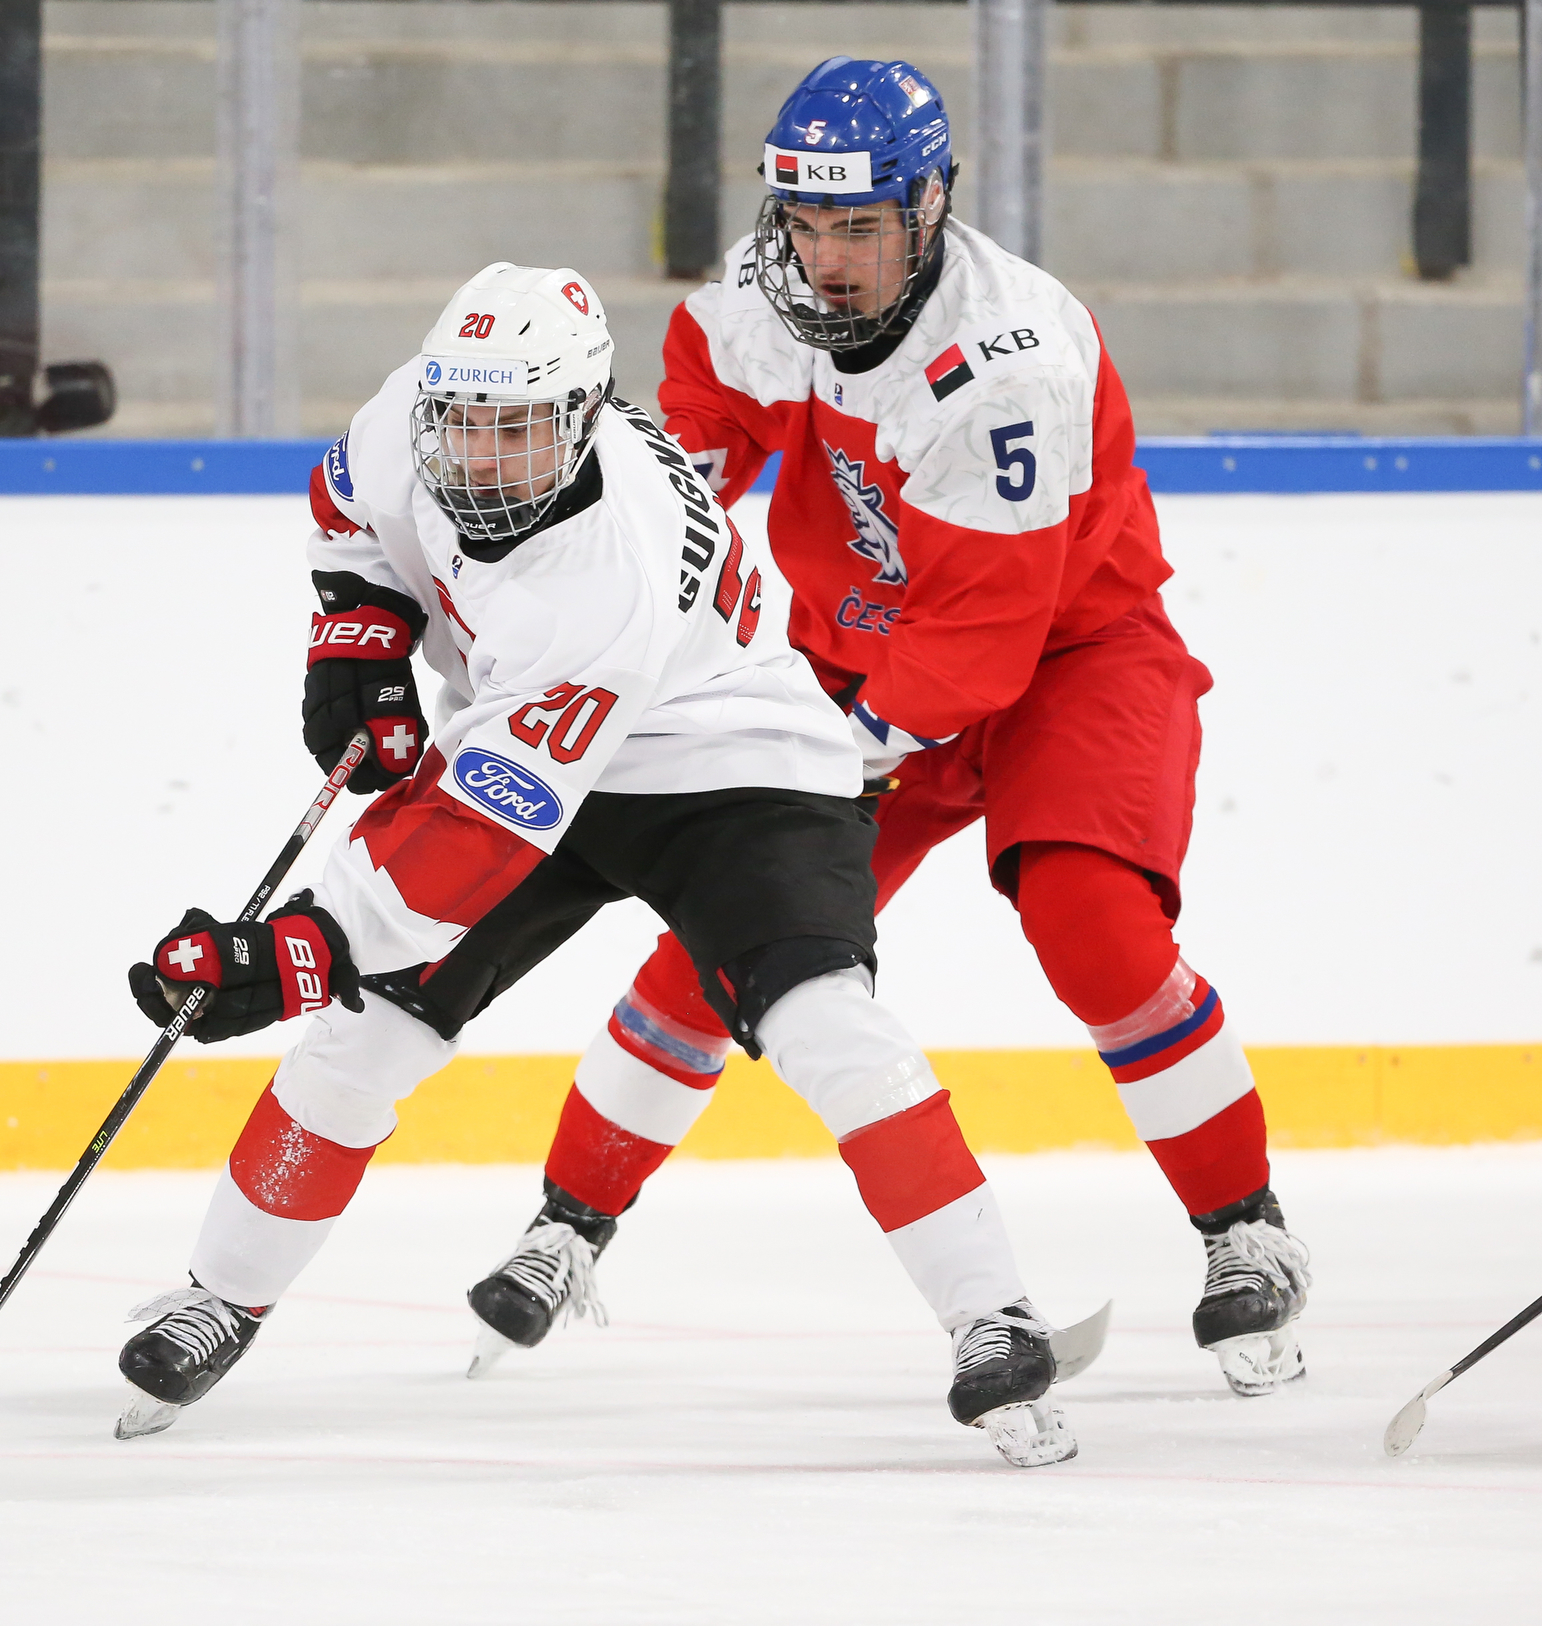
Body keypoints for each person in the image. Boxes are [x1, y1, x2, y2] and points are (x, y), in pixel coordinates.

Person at [114, 262, 1079, 1468]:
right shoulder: (409, 413)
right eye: (462, 422)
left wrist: (295, 950)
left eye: (516, 429)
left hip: (734, 769)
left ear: (582, 415)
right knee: (364, 1038)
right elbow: (348, 515)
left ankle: (991, 1313)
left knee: (826, 1024)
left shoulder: (606, 573)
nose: (479, 457)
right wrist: (359, 630)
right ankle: (219, 1296)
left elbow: (474, 838)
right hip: (530, 741)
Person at [469, 59, 1313, 1399]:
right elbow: (684, 463)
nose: (827, 258)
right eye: (806, 223)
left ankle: (1244, 1228)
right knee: (728, 942)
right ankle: (565, 1228)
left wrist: (814, 755)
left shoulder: (1009, 362)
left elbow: (981, 636)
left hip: (1068, 658)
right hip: (857, 661)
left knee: (1092, 922)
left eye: (859, 225)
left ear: (927, 207)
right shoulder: (760, 301)